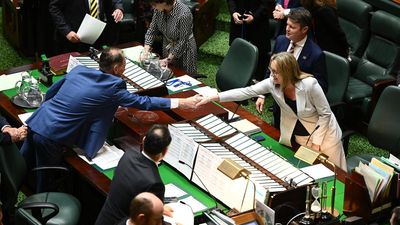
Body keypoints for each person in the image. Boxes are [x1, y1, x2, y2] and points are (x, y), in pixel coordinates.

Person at [20, 47, 200, 192]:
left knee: (20, 170)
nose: (126, 67)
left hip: (37, 121)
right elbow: (143, 102)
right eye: (124, 64)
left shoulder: (79, 71)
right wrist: (180, 102)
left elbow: (51, 93)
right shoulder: (113, 87)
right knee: (44, 184)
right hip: (52, 135)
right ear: (116, 69)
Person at [197, 52, 346, 171]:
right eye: (271, 71)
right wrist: (215, 96)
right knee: (312, 175)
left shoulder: (309, 84)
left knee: (337, 176)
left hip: (326, 138)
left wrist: (316, 144)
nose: (272, 75)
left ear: (287, 72)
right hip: (300, 138)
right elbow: (247, 91)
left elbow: (325, 114)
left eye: (275, 72)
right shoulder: (272, 83)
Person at [257, 8, 327, 129]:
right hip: (279, 104)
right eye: (287, 25)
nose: (287, 29)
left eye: (292, 27)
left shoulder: (316, 54)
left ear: (304, 30)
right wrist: (262, 94)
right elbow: (271, 69)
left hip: (299, 110)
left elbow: (322, 86)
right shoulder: (281, 41)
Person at [95, 125, 171, 225]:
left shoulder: (128, 155)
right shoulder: (155, 183)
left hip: (104, 219)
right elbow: (154, 221)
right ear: (165, 151)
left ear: (143, 141)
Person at [49, 0, 124, 54]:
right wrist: (66, 31)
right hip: (74, 36)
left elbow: (116, 1)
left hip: (98, 33)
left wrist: (118, 8)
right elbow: (54, 7)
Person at [144, 0, 197, 75]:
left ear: (164, 2)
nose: (153, 7)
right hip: (168, 47)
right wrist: (146, 50)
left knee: (186, 77)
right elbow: (152, 30)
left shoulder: (184, 14)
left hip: (185, 50)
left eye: (155, 4)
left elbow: (183, 41)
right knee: (167, 75)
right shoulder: (158, 10)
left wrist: (168, 59)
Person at [227, 0, 273, 81]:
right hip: (238, 20)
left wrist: (255, 16)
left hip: (259, 23)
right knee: (237, 51)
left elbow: (267, 3)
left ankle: (257, 81)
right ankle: (235, 78)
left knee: (260, 54)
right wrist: (233, 11)